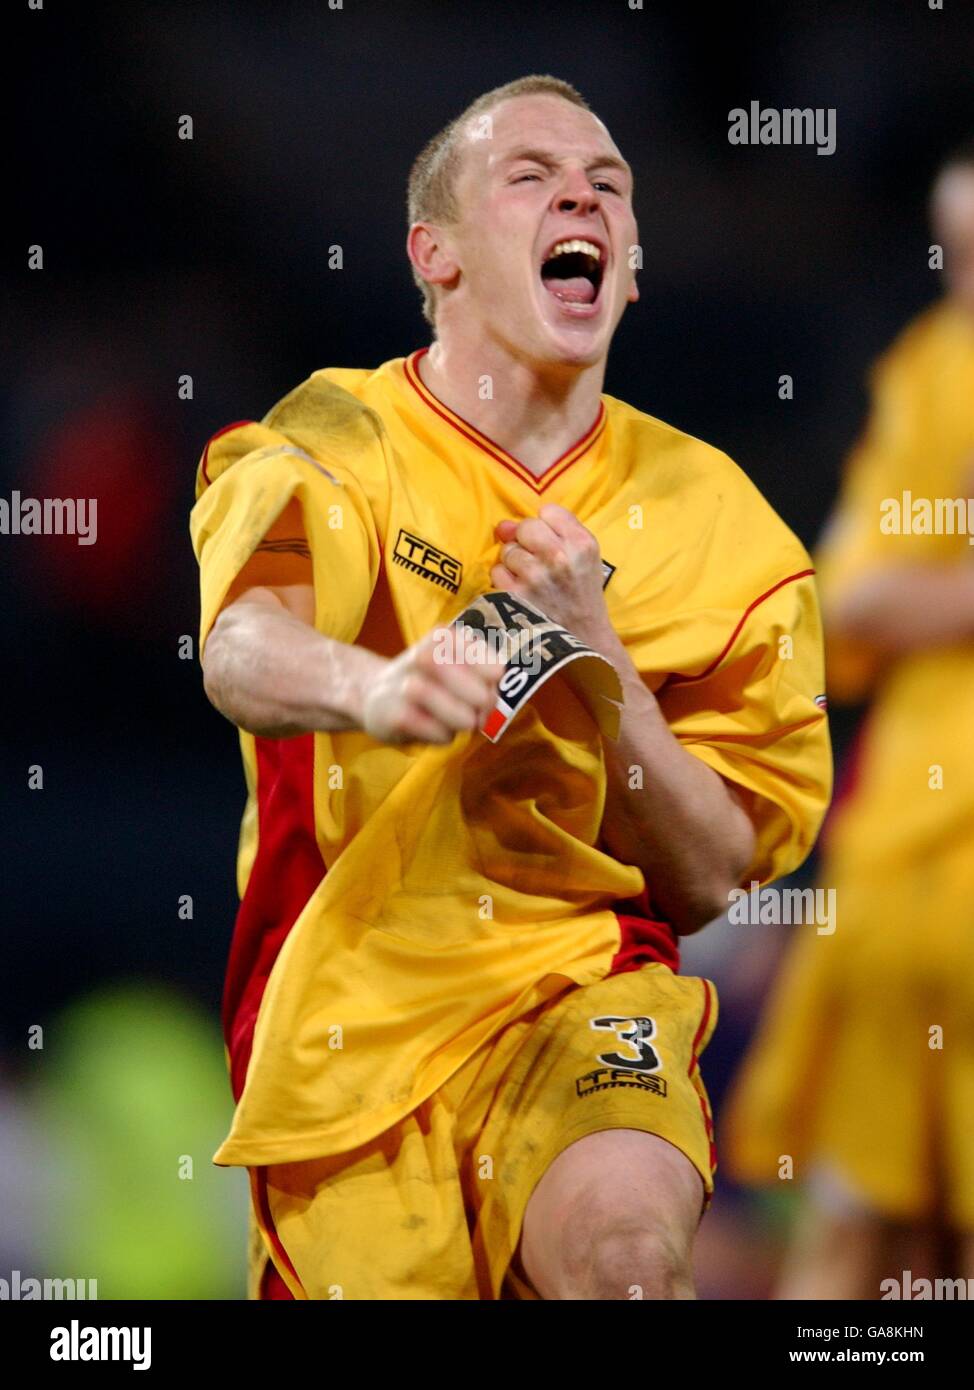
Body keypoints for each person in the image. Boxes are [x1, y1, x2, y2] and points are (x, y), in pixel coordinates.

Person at [190, 74, 831, 1301]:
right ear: (434, 255)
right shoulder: (330, 444)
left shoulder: (728, 535)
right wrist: (374, 691)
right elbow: (241, 648)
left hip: (588, 983)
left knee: (627, 1267)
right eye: (528, 177)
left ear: (627, 266)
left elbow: (707, 874)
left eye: (608, 185)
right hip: (350, 1021)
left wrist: (602, 672)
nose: (579, 193)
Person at [722, 138, 974, 1299]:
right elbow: (853, 591)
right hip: (909, 876)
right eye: (953, 253)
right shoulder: (931, 371)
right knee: (861, 1232)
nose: (963, 280)